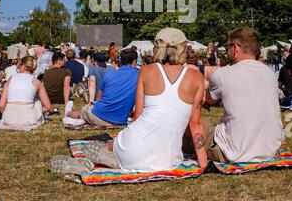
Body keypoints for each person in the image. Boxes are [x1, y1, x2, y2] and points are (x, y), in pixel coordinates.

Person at [67, 28, 207, 172]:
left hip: (132, 147)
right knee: (123, 145)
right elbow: (196, 126)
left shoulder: (146, 70)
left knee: (112, 144)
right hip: (167, 160)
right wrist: (203, 162)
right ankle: (115, 158)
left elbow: (138, 117)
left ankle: (103, 156)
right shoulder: (197, 78)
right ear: (182, 49)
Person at [184, 27, 283, 163]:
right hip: (270, 151)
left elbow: (207, 100)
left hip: (233, 152)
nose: (227, 51)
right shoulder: (269, 73)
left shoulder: (223, 74)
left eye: (227, 47)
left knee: (188, 120)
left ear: (236, 47)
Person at [66, 48, 139, 127]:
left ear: (120, 61)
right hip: (119, 120)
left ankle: (68, 114)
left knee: (83, 111)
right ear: (135, 61)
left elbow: (98, 99)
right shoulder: (140, 75)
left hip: (99, 115)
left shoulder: (109, 75)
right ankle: (79, 118)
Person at [0, 56, 52, 126]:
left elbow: (1, 106)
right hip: (29, 119)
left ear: (23, 66)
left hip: (9, 119)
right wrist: (38, 111)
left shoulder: (10, 79)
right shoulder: (36, 82)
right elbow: (48, 107)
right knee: (37, 101)